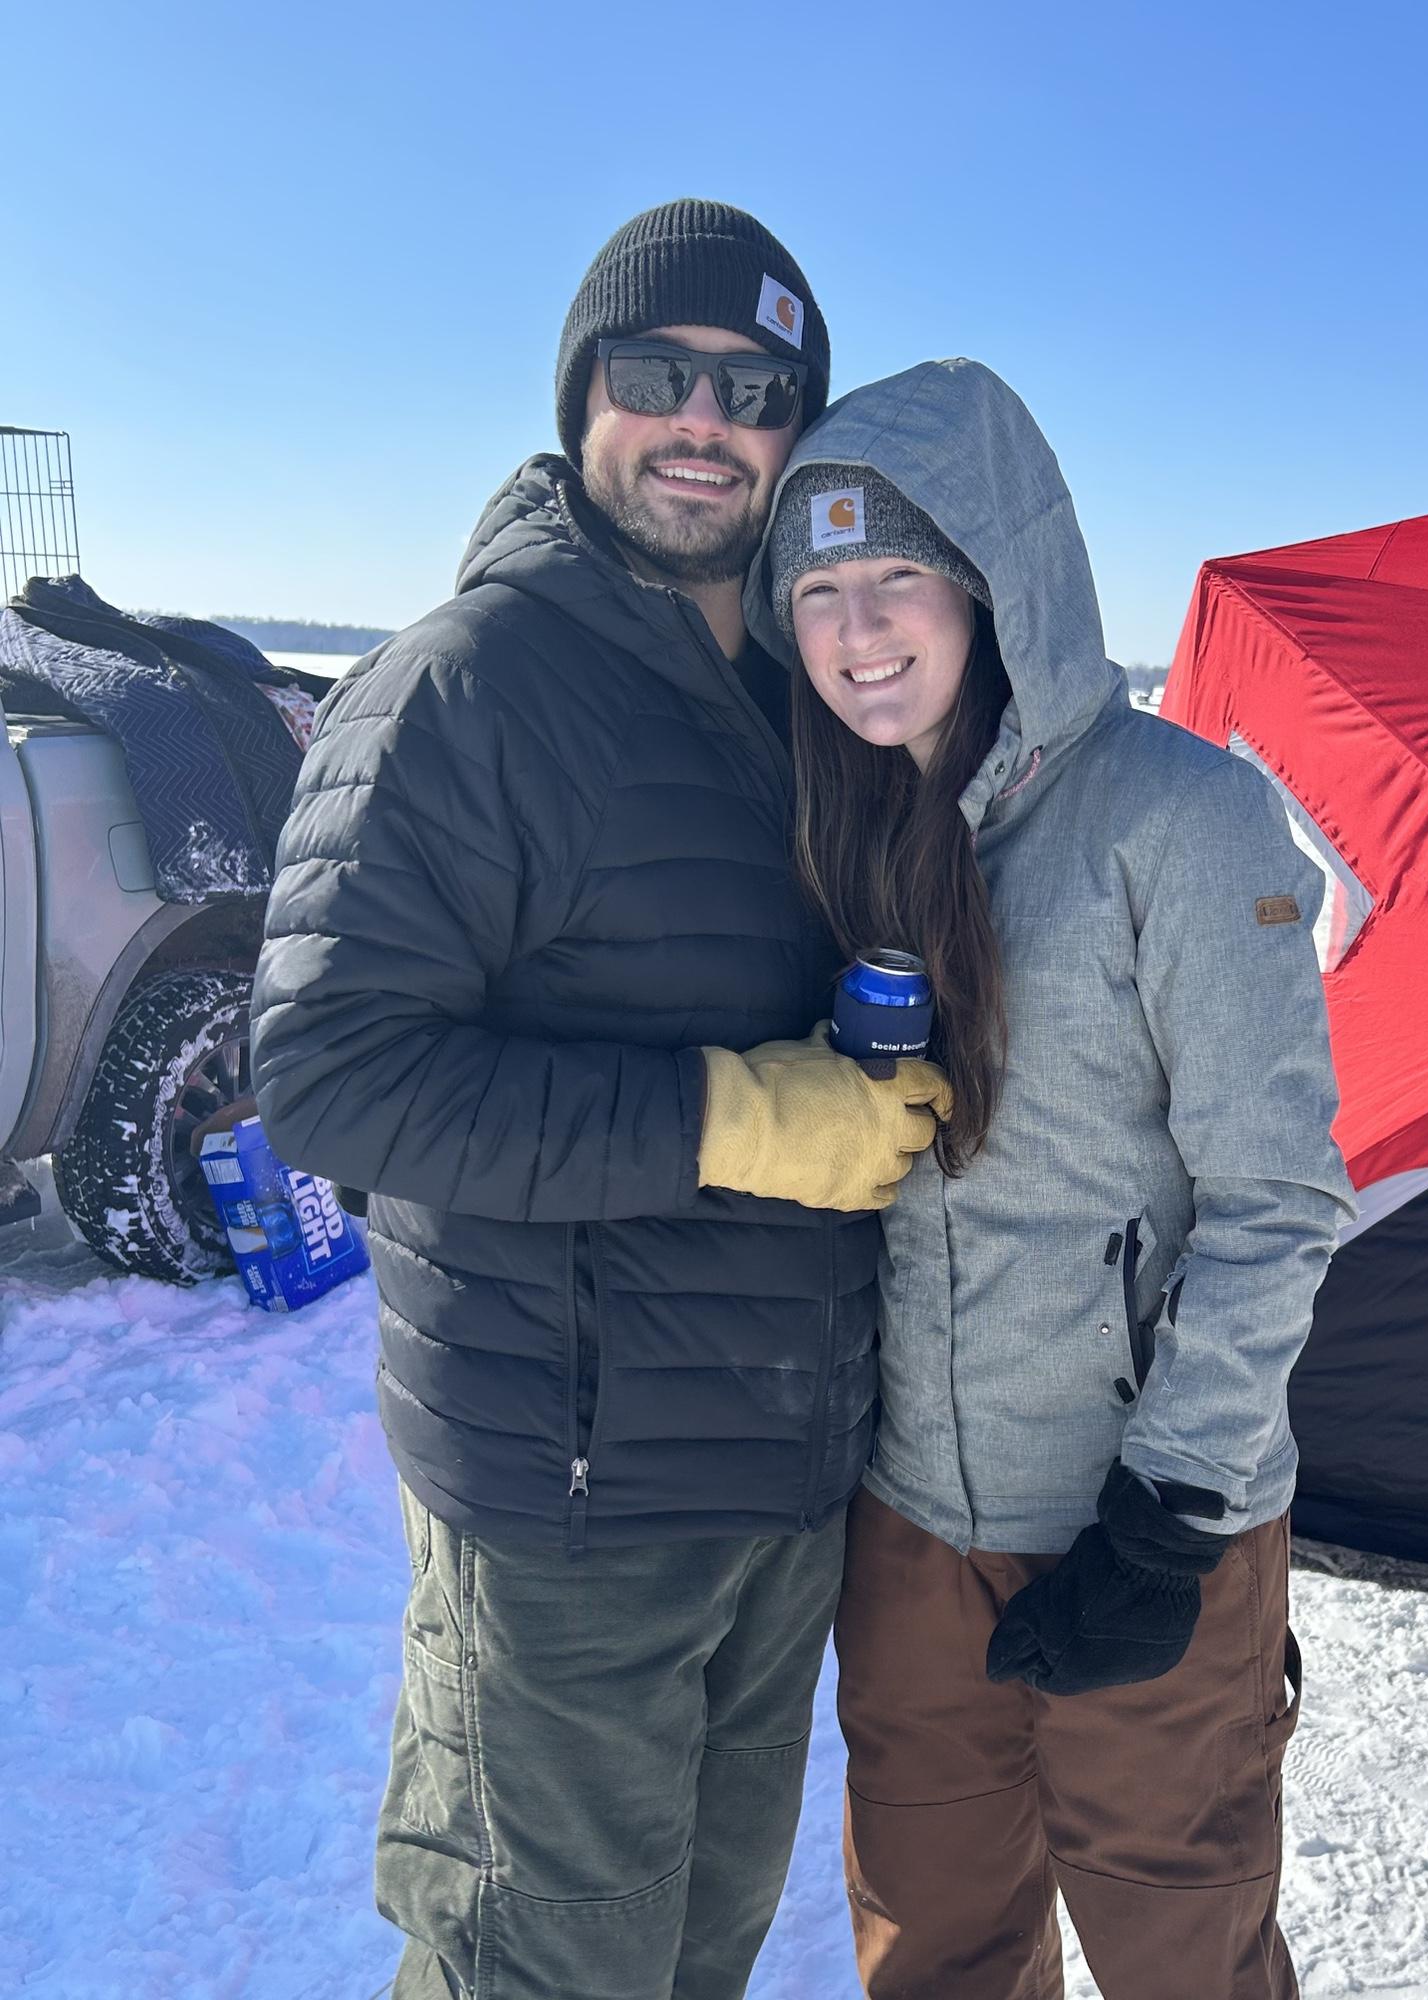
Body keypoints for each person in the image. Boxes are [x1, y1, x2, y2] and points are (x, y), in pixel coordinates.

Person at [248, 200, 951, 2000]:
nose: (705, 421)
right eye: (659, 376)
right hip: (568, 1506)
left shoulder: (815, 686)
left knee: (698, 1959)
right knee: (534, 1975)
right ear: (584, 399)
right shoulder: (466, 689)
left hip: (781, 1487)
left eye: (756, 387)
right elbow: (330, 1074)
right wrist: (727, 1116)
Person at [749, 359, 1357, 2000]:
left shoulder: (1183, 816)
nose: (858, 628)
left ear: (995, 584)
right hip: (910, 1539)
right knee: (936, 1953)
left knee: (1186, 1957)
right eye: (816, 590)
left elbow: (1280, 1199)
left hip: (1145, 1526)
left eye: (898, 579)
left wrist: (1169, 1522)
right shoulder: (840, 826)